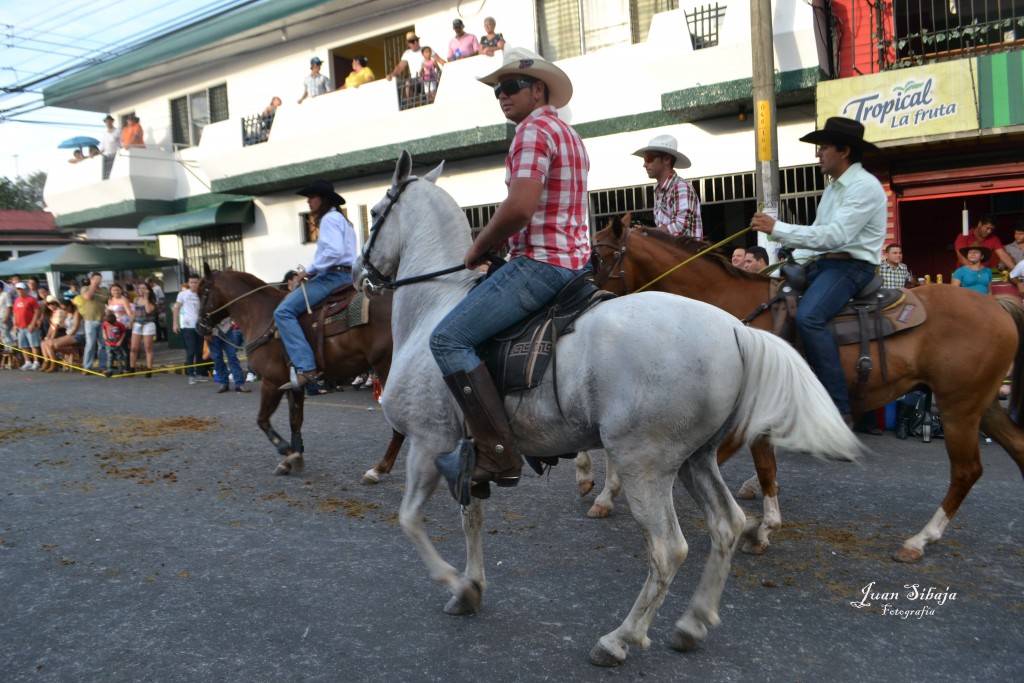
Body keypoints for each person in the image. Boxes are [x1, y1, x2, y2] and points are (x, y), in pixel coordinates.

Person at [431, 47, 590, 496]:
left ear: (538, 89)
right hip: (577, 264)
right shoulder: (569, 134)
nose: (502, 96)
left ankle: (496, 453)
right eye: (497, 91)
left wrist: (480, 244)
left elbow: (520, 207)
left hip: (541, 265)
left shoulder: (531, 131)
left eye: (511, 87)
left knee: (448, 339)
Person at [750, 116, 887, 427]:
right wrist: (783, 265)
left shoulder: (865, 187)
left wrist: (778, 228)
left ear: (844, 151)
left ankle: (837, 409)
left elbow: (836, 236)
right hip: (826, 264)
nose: (818, 153)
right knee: (775, 302)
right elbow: (817, 236)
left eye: (824, 147)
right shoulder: (833, 188)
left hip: (852, 267)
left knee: (809, 316)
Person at [274, 180, 357, 391]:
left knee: (283, 312)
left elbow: (334, 252)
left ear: (323, 199)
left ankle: (306, 367)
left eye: (312, 197)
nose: (308, 201)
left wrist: (308, 271)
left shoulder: (329, 219)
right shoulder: (343, 220)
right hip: (347, 276)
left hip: (332, 277)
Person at [632, 134, 703, 239]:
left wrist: (648, 232)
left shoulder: (681, 188)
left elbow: (680, 227)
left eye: (649, 159)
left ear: (666, 159)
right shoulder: (660, 191)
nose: (645, 165)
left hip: (684, 250)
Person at [172, 274, 208, 385]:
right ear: (188, 283)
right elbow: (176, 309)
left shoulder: (202, 293)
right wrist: (175, 324)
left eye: (195, 282)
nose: (193, 285)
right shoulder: (183, 294)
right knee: (190, 351)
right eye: (191, 282)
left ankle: (199, 373)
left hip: (200, 326)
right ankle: (191, 375)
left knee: (199, 351)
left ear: (199, 283)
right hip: (188, 326)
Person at [208, 317, 251, 393]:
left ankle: (239, 384)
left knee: (232, 357)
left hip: (227, 329)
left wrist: (233, 322)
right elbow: (201, 315)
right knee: (217, 359)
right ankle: (223, 383)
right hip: (212, 332)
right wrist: (205, 333)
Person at [80, 272, 109, 374]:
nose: (98, 281)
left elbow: (108, 303)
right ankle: (87, 367)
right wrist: (93, 284)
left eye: (99, 279)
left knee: (103, 344)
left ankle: (102, 366)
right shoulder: (85, 288)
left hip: (102, 320)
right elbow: (87, 297)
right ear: (91, 279)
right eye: (96, 279)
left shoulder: (104, 291)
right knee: (90, 344)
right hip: (90, 320)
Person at [129, 281, 158, 377]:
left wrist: (146, 298)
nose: (141, 290)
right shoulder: (136, 299)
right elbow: (134, 312)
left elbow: (148, 310)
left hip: (148, 324)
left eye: (143, 288)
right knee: (133, 348)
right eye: (139, 288)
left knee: (148, 347)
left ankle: (149, 369)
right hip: (137, 323)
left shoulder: (152, 300)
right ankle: (132, 367)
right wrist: (131, 321)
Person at [387, 32, 426, 102]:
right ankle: (411, 104)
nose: (415, 42)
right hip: (415, 81)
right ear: (408, 44)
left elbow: (438, 59)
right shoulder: (407, 53)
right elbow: (400, 66)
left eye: (416, 40)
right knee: (408, 83)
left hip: (427, 78)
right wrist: (392, 74)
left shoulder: (426, 50)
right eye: (412, 41)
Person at [12, 282, 42, 370]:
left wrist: (33, 323)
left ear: (25, 290)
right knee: (23, 345)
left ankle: (36, 362)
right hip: (20, 327)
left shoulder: (31, 299)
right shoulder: (16, 300)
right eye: (18, 290)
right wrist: (14, 324)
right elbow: (14, 313)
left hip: (30, 326)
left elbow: (37, 311)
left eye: (21, 289)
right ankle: (27, 361)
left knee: (33, 345)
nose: (20, 291)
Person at [47, 300, 83, 372]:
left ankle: (73, 353)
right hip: (68, 333)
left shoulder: (76, 313)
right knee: (49, 343)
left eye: (65, 308)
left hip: (78, 334)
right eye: (62, 309)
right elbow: (65, 325)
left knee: (56, 344)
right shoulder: (66, 313)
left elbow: (75, 328)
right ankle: (53, 362)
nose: (64, 310)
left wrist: (68, 336)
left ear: (69, 306)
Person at [37, 296, 67, 371]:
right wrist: (47, 336)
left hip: (61, 331)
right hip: (55, 331)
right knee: (43, 343)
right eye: (49, 304)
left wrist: (52, 338)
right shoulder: (53, 313)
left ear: (56, 304)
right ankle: (46, 361)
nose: (51, 306)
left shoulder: (60, 312)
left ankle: (54, 362)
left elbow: (56, 326)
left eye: (53, 304)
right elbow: (51, 327)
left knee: (48, 343)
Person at [101, 312, 128, 377]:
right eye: (110, 324)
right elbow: (103, 329)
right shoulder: (105, 323)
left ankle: (120, 369)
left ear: (115, 320)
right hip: (108, 344)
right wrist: (104, 335)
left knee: (119, 357)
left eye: (113, 324)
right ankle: (109, 370)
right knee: (109, 357)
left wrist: (120, 341)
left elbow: (124, 332)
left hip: (117, 344)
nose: (112, 325)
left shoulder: (120, 324)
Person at [99, 114, 120, 178]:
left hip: (115, 154)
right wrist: (99, 151)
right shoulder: (105, 133)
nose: (107, 123)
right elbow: (103, 145)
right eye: (106, 122)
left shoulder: (117, 131)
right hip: (107, 155)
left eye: (109, 121)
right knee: (108, 172)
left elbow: (119, 141)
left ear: (112, 122)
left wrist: (110, 132)